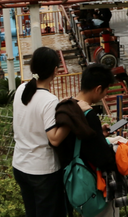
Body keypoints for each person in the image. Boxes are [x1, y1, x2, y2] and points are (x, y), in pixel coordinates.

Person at [52, 64, 121, 217]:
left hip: (74, 180)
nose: (105, 95)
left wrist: (99, 134)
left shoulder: (69, 107)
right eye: (105, 90)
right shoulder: (88, 114)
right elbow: (101, 157)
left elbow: (80, 140)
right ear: (98, 89)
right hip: (93, 183)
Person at [12, 46, 66, 217]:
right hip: (42, 171)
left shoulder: (22, 89)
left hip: (20, 165)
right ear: (55, 70)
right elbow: (55, 139)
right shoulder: (49, 100)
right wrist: (72, 121)